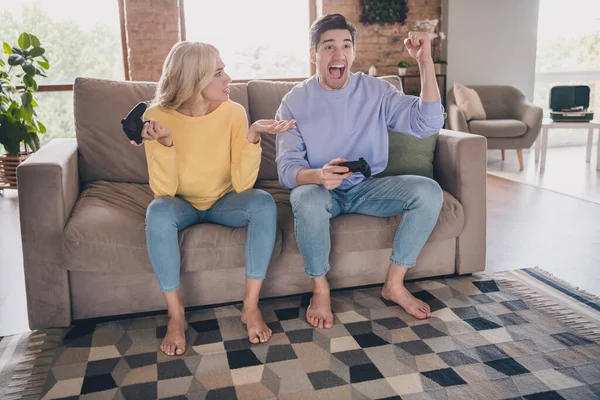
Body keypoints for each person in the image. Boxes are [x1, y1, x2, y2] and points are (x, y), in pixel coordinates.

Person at [275, 14, 445, 329]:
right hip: (321, 190)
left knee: (429, 192)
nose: (339, 55)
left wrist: (425, 63)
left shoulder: (377, 92)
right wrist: (317, 176)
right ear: (314, 55)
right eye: (329, 47)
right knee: (306, 199)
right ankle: (320, 289)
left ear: (353, 52)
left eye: (346, 46)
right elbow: (287, 169)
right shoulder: (294, 101)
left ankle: (394, 284)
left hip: (368, 188)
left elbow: (428, 123)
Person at [133, 41, 295, 355]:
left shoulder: (234, 112)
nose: (228, 79)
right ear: (194, 80)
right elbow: (164, 191)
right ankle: (176, 315)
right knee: (157, 211)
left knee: (262, 202)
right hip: (181, 203)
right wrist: (165, 142)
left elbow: (243, 184)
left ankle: (250, 307)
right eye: (218, 73)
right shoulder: (156, 116)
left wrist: (252, 136)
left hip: (225, 200)